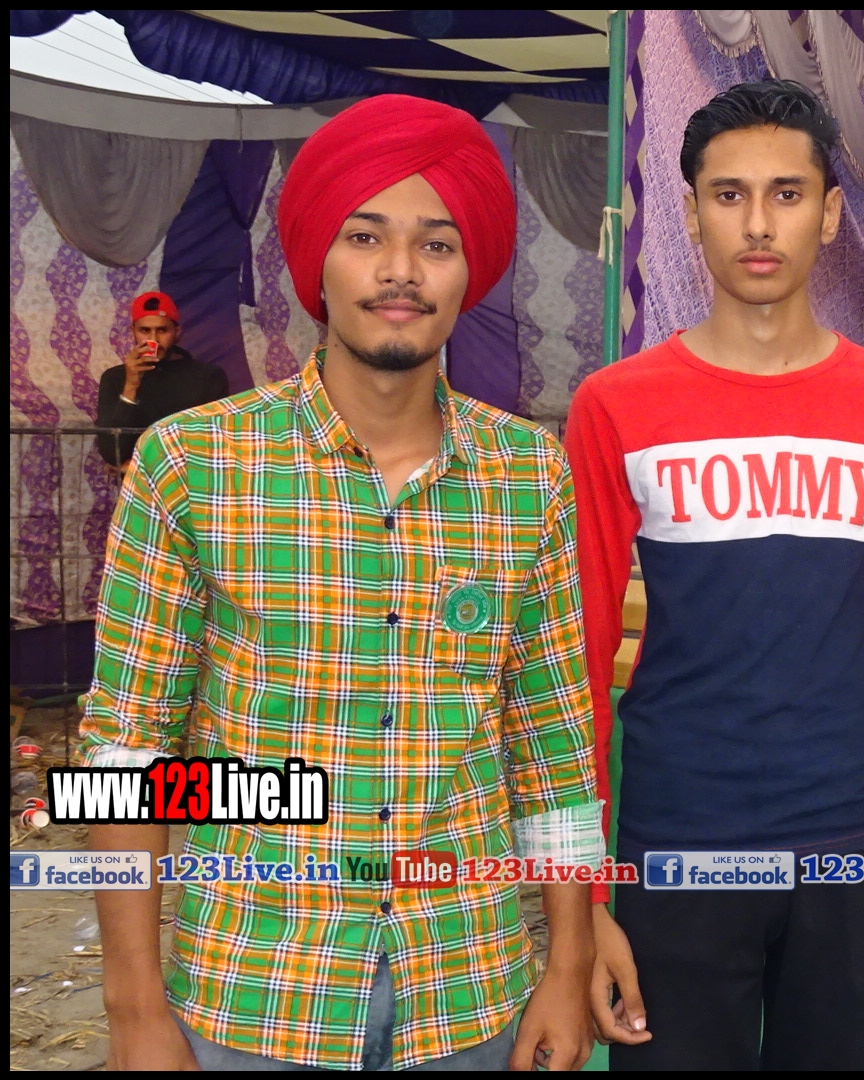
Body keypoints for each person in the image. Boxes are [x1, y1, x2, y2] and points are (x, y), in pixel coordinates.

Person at [82, 94, 602, 1071]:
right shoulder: (193, 465)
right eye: (366, 237)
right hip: (252, 992)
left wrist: (567, 966)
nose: (401, 269)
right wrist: (133, 1008)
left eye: (436, 243)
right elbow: (124, 751)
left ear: (471, 271)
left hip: (468, 991)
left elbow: (554, 747)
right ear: (317, 258)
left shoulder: (528, 475)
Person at [566, 80, 864, 1071]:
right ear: (689, 214)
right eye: (729, 194)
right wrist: (584, 895)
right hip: (679, 841)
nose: (758, 223)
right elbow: (570, 667)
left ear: (830, 214)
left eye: (787, 194)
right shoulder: (615, 406)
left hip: (858, 844)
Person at [94, 290, 229, 469]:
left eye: (162, 330)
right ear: (133, 332)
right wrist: (131, 384)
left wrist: (143, 468)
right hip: (136, 485)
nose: (153, 339)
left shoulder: (208, 376)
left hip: (190, 480)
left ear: (177, 333)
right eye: (144, 330)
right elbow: (112, 453)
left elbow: (216, 443)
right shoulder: (115, 378)